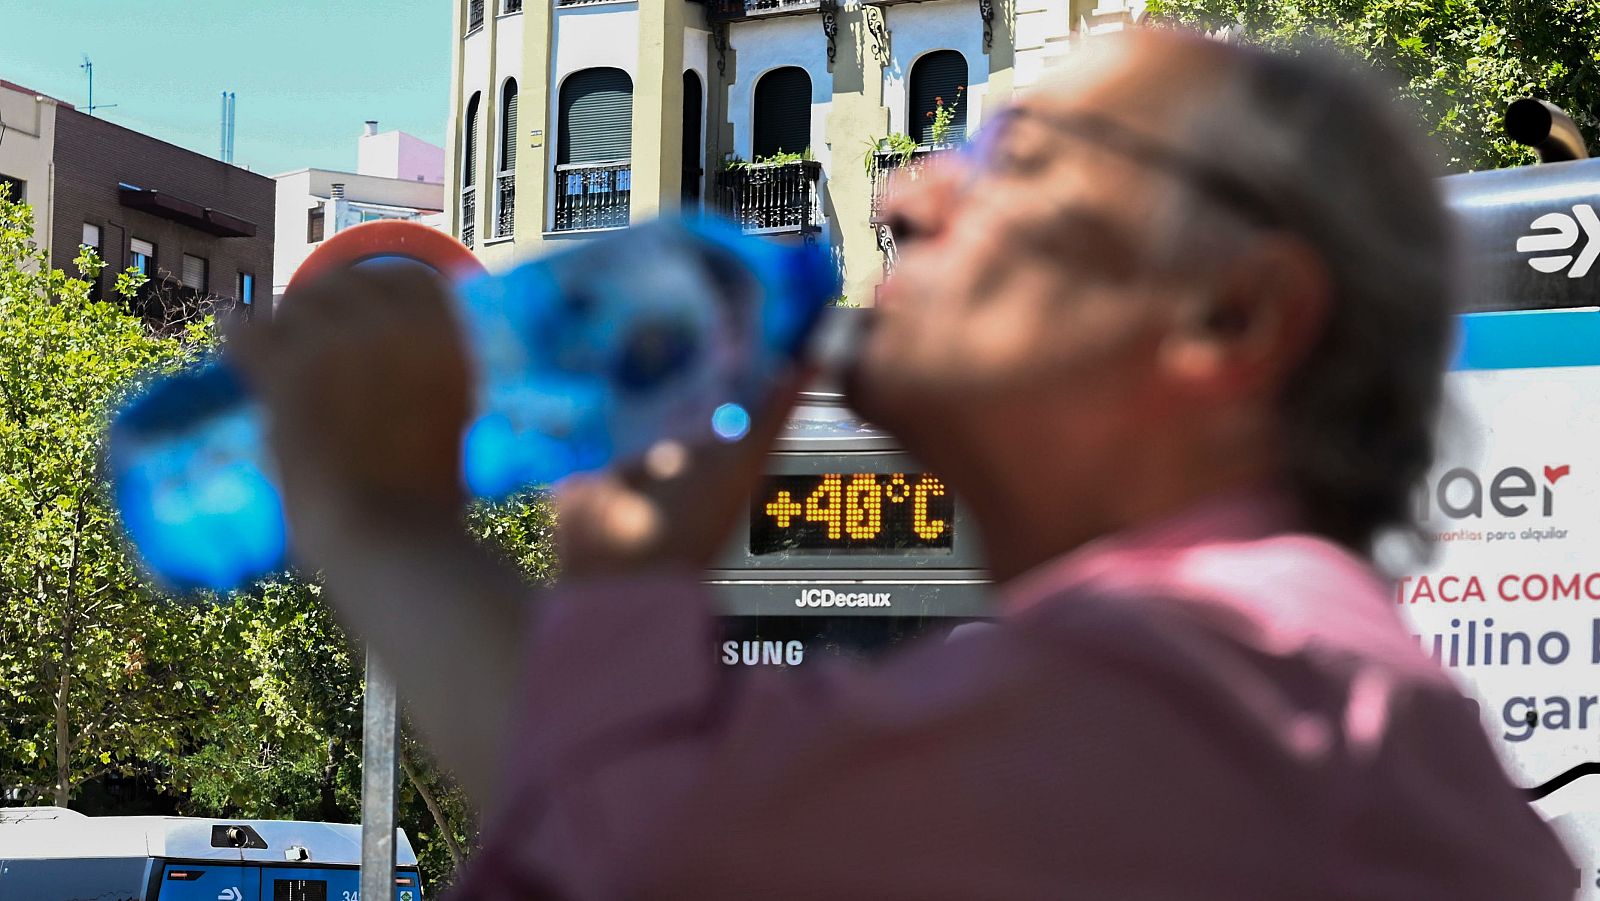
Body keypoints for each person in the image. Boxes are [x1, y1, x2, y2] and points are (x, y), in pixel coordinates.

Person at [236, 29, 1574, 900]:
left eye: (1017, 161)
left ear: (1231, 314)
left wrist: (379, 519)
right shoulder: (1246, 682)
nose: (904, 194)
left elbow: (654, 857)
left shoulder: (1236, 674)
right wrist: (613, 578)